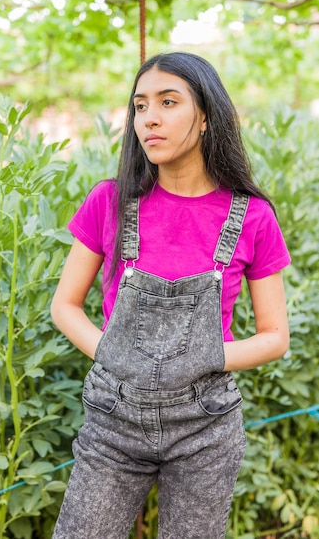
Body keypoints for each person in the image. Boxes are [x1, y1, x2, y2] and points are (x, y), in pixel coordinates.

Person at [50, 52, 291, 539]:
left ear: (205, 117)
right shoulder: (110, 201)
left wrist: (205, 355)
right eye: (140, 106)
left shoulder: (253, 217)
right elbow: (64, 305)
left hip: (205, 425)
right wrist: (111, 352)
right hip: (112, 421)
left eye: (167, 102)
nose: (150, 118)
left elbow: (275, 337)